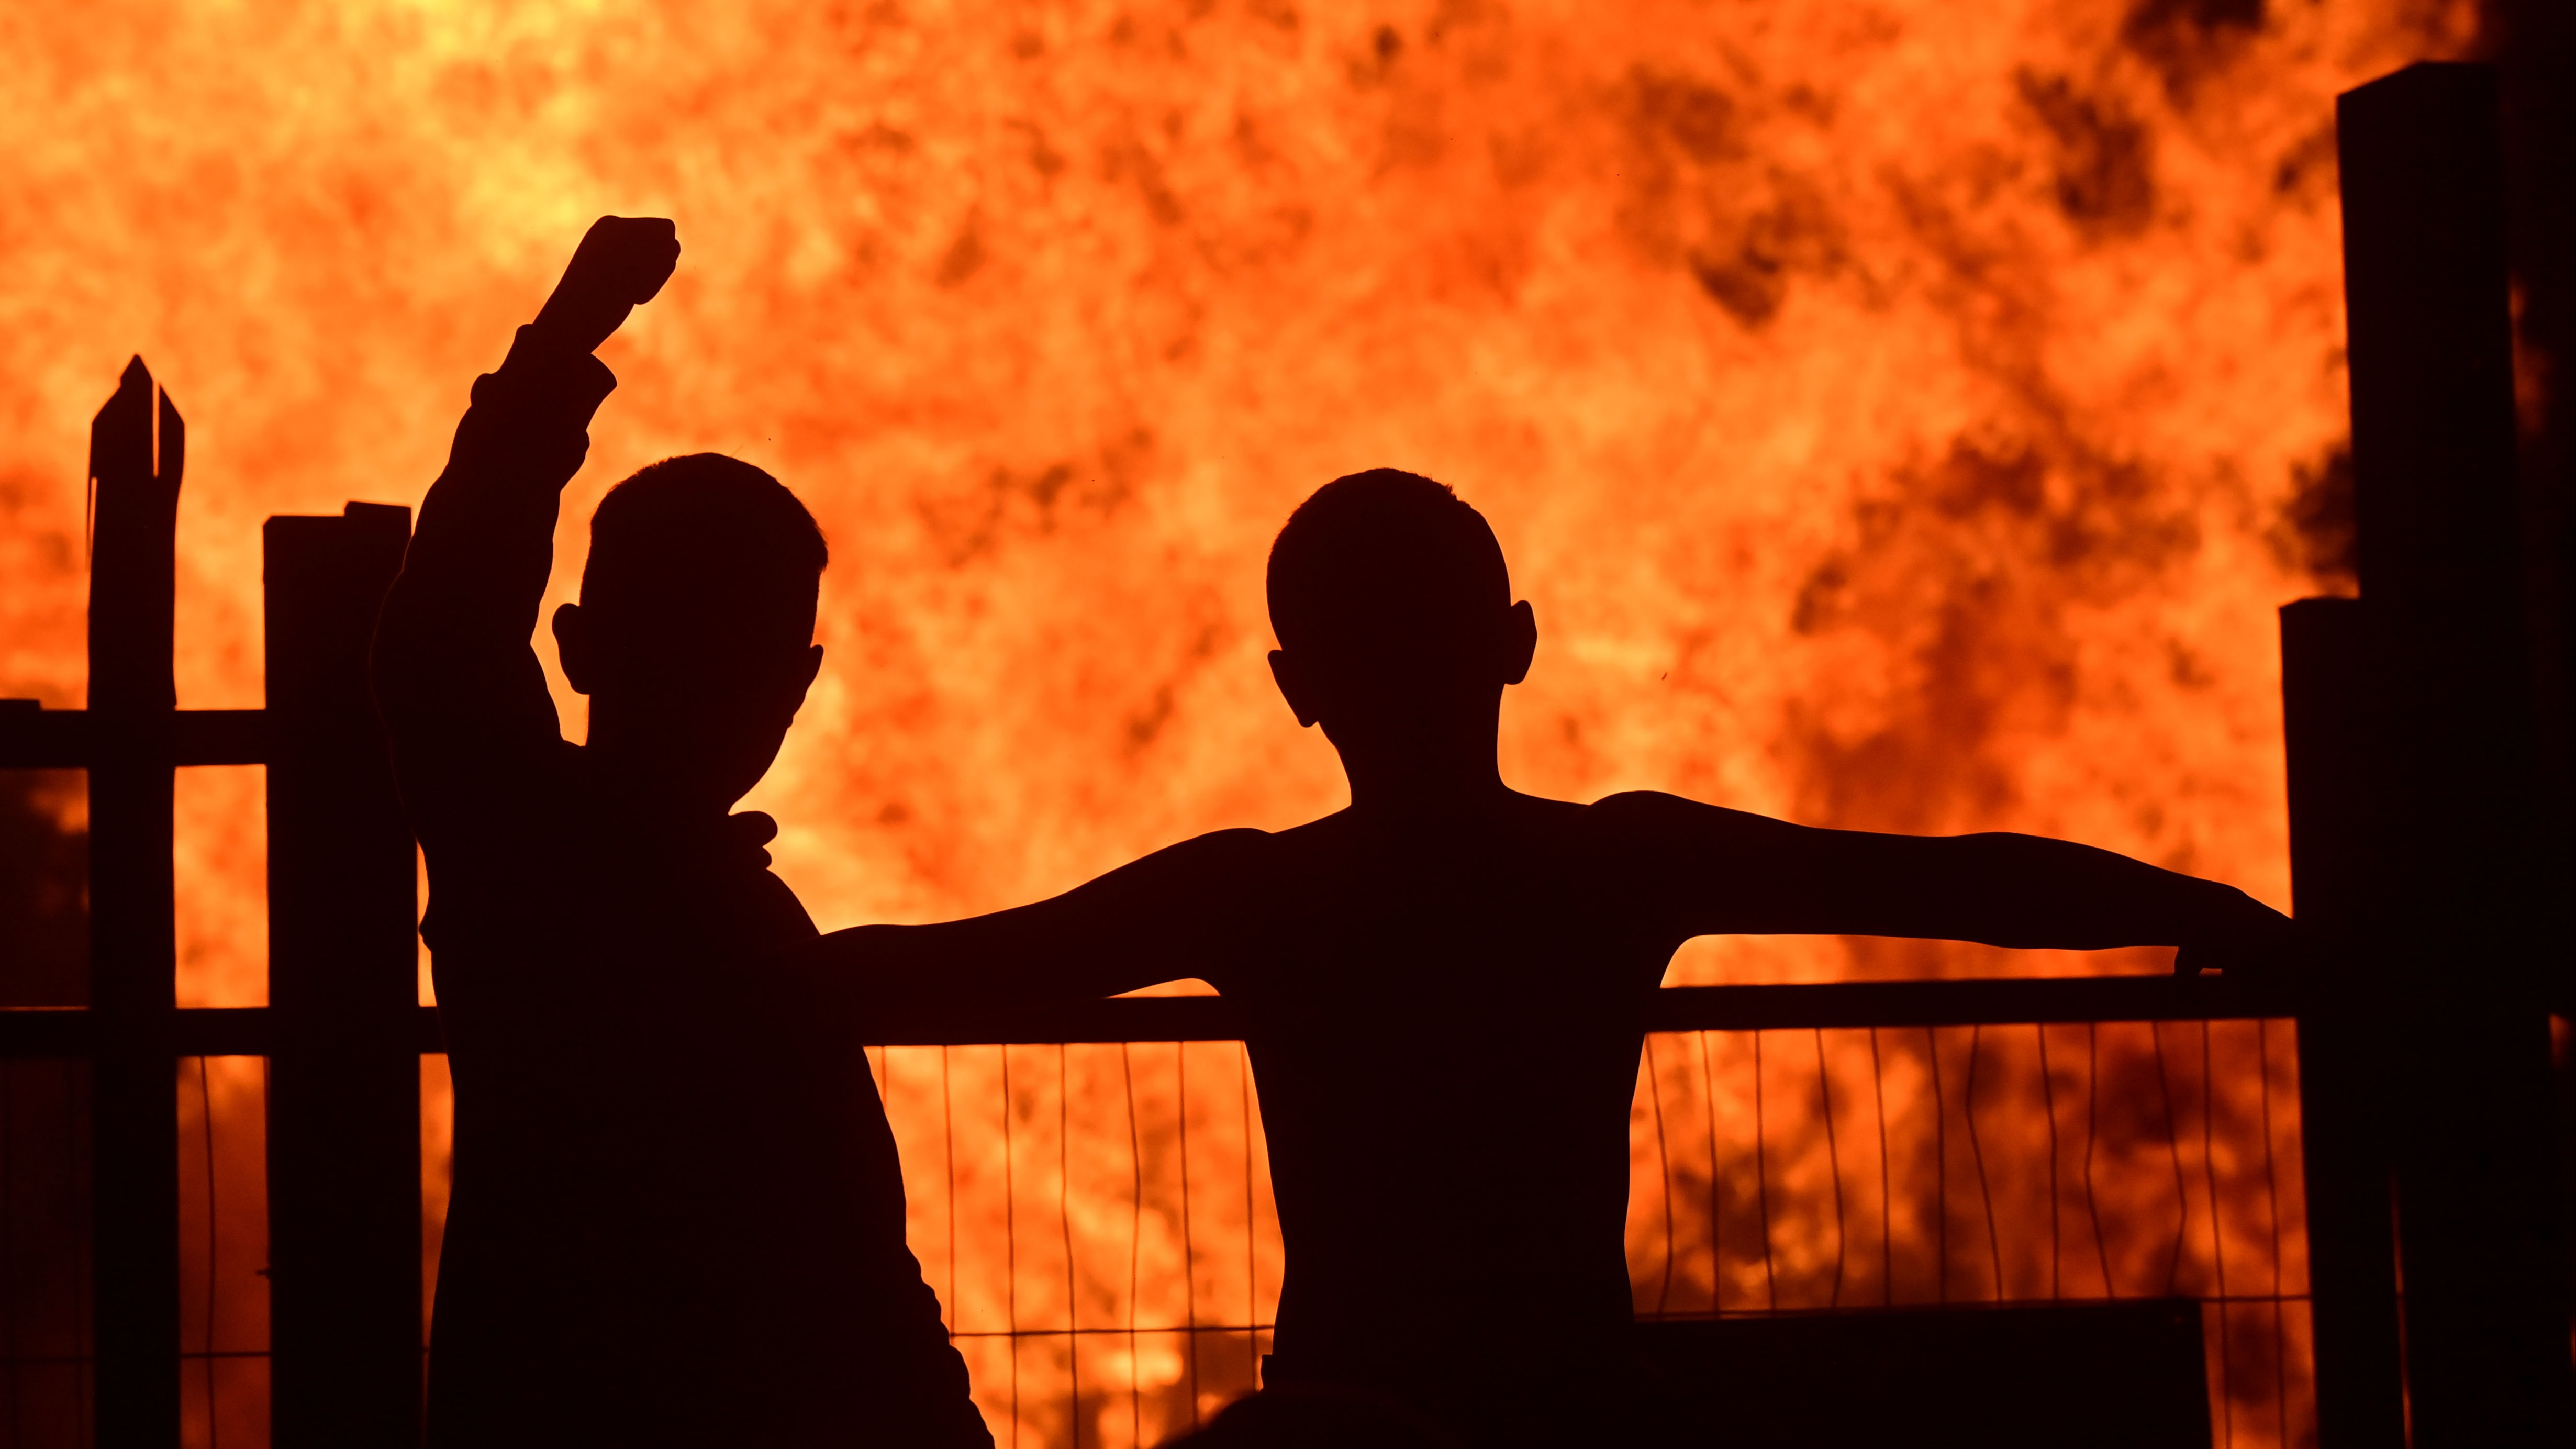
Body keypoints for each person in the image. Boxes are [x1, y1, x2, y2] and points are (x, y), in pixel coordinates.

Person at [804, 469, 2296, 1447]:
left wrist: (692, 908)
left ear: (1294, 686)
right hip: (1577, 1411)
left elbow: (944, 968)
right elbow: (1957, 884)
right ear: (1514, 643)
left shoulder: (1258, 899)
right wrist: (2214, 911)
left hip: (1344, 1412)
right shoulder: (1608, 868)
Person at [375, 217, 989, 1448]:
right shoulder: (578, 867)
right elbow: (862, 1273)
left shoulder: (534, 855)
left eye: (737, 653)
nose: (720, 690)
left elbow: (446, 622)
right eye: (695, 646)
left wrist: (566, 336)